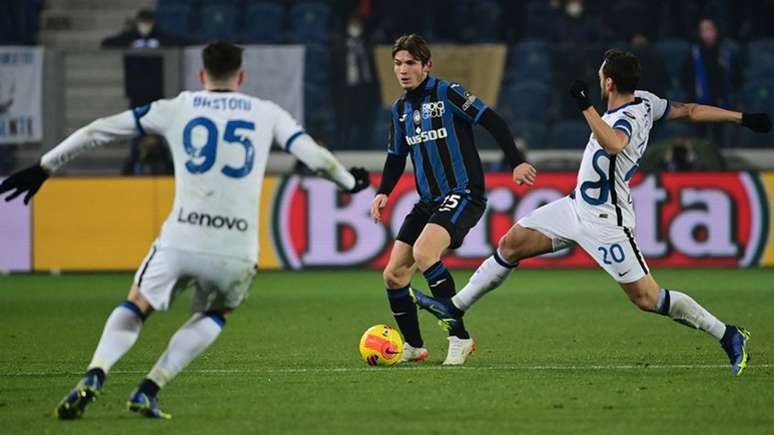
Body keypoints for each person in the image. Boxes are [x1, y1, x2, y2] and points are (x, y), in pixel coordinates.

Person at [0, 41, 370, 419]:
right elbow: (315, 158)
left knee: (137, 305)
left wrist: (44, 166)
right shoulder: (266, 112)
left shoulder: (178, 107)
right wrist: (349, 183)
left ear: (201, 74)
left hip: (182, 237)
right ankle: (150, 387)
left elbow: (98, 129)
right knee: (218, 311)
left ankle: (96, 373)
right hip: (235, 247)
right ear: (241, 76)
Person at [410, 49, 772, 374]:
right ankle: (455, 307)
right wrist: (742, 118)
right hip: (575, 207)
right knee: (512, 242)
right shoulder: (648, 102)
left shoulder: (625, 118)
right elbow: (690, 110)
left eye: (601, 76)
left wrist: (585, 106)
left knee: (648, 298)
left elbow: (614, 143)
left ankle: (728, 334)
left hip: (607, 220)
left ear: (609, 82)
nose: (599, 80)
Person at [371, 34, 536, 366]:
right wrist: (383, 191)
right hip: (428, 200)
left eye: (411, 63)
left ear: (427, 65)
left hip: (463, 193)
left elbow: (493, 121)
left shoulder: (449, 93)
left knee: (424, 251)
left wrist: (516, 160)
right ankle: (414, 346)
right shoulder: (400, 109)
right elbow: (395, 156)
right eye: (398, 63)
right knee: (393, 275)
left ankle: (459, 337)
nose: (403, 70)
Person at [680, 17, 743, 146]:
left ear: (716, 31)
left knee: (719, 137)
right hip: (699, 103)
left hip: (721, 102)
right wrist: (691, 94)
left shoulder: (726, 53)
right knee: (700, 138)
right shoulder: (693, 53)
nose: (707, 33)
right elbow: (684, 77)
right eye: (703, 30)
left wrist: (733, 96)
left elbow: (737, 77)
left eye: (710, 29)